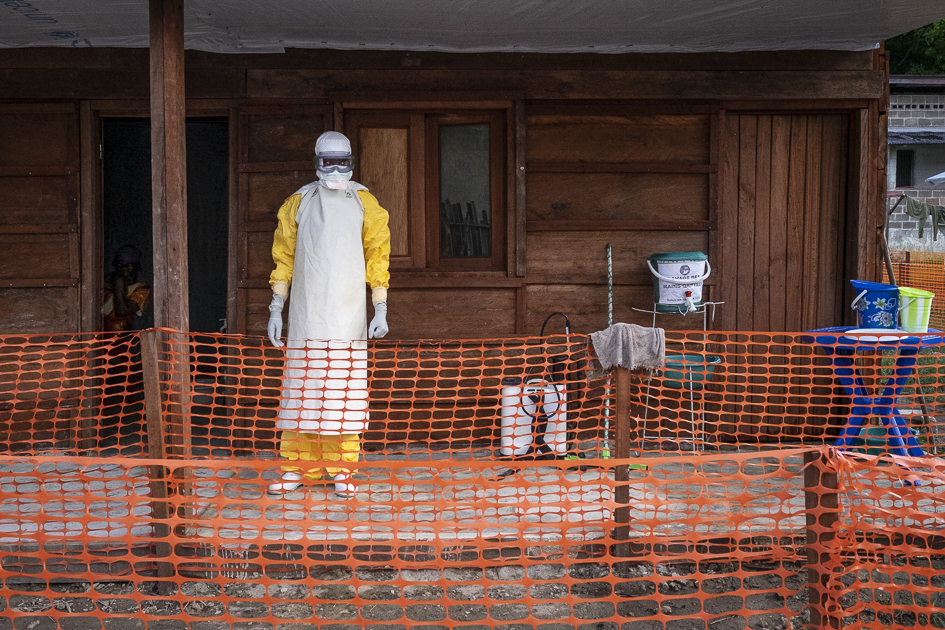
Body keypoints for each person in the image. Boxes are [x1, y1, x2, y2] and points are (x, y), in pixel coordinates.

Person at [266, 131, 391, 494]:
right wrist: (277, 308)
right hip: (306, 316)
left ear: (352, 162)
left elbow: (377, 255)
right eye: (328, 162)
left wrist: (380, 306)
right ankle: (297, 467)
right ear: (316, 163)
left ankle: (342, 470)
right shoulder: (298, 202)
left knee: (343, 390)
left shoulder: (366, 202)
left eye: (343, 162)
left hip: (348, 317)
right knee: (302, 389)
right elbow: (283, 257)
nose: (336, 169)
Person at [102, 244, 151, 331]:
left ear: (136, 268)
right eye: (120, 264)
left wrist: (119, 285)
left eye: (128, 265)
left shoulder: (141, 288)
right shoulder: (104, 284)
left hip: (119, 339)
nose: (124, 269)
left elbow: (122, 311)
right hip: (97, 335)